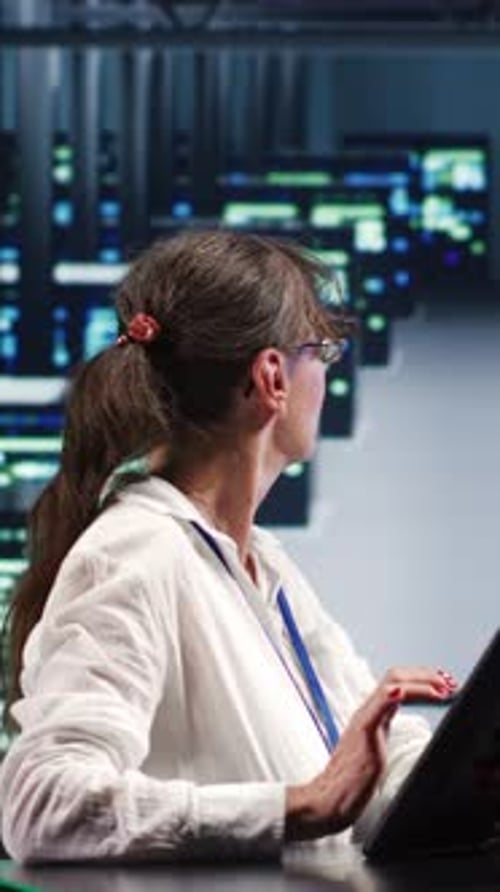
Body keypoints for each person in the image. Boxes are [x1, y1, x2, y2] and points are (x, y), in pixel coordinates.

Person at [0, 230, 457, 863]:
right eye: (320, 351)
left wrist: (463, 777)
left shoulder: (259, 562)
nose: (326, 375)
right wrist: (299, 805)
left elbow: (360, 760)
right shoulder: (134, 555)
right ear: (272, 377)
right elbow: (42, 804)